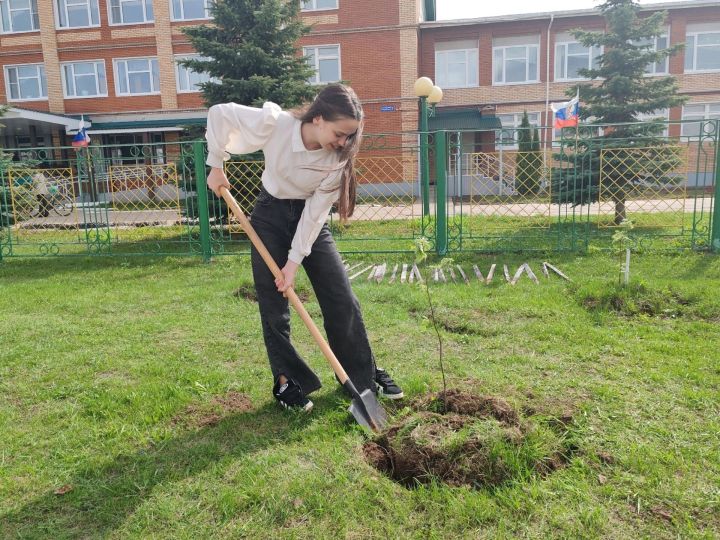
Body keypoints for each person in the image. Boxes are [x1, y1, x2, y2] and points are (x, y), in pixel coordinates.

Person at [205, 84, 403, 412]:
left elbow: (314, 214)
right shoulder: (277, 124)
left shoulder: (338, 157)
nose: (343, 143)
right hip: (269, 215)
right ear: (319, 118)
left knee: (341, 297)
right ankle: (287, 382)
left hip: (310, 220)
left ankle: (362, 376)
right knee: (273, 305)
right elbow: (220, 114)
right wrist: (216, 164)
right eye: (340, 134)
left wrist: (293, 263)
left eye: (349, 137)